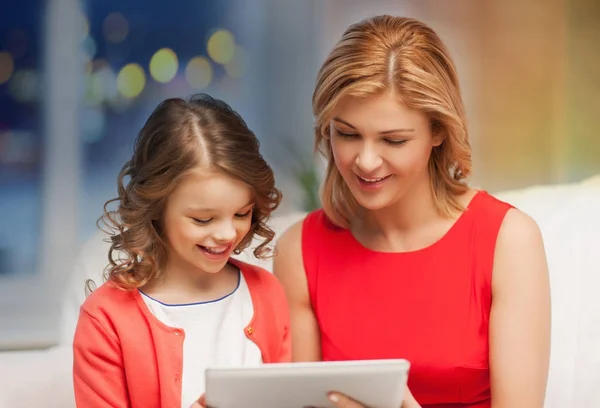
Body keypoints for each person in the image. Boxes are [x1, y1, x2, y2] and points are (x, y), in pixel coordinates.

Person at [274, 15, 551, 408]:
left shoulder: (509, 242)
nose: (366, 161)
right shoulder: (300, 251)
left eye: (393, 140)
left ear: (439, 131)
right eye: (347, 134)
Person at [72, 94, 290, 408]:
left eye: (242, 213)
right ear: (156, 208)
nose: (228, 233)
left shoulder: (266, 293)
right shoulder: (106, 319)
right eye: (203, 219)